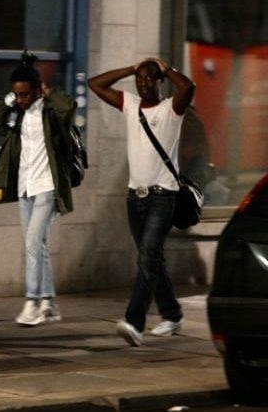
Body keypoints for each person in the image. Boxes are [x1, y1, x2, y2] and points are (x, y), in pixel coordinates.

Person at [88, 58, 195, 346]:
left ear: (160, 81)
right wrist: (130, 68)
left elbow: (188, 87)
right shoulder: (130, 105)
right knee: (152, 258)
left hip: (163, 196)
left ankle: (134, 322)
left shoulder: (171, 109)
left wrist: (166, 68)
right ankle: (172, 314)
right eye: (139, 80)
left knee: (147, 257)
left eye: (149, 78)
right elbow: (95, 84)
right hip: (135, 197)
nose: (143, 84)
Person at [0, 53, 77, 327]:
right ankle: (50, 303)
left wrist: (49, 93)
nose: (21, 99)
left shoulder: (50, 112)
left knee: (33, 243)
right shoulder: (18, 113)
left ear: (37, 89)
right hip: (25, 186)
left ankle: (32, 301)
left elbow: (68, 108)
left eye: (25, 94)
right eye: (18, 94)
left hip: (47, 185)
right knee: (38, 244)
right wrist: (9, 100)